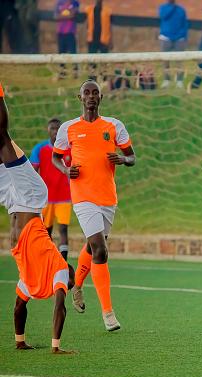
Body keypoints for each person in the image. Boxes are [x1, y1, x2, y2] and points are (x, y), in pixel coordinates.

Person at [52, 80, 136, 332]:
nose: (91, 96)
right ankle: (108, 313)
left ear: (101, 97)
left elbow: (131, 156)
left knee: (92, 246)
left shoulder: (114, 126)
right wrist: (66, 170)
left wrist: (122, 159)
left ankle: (77, 284)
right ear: (80, 98)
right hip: (83, 196)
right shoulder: (68, 128)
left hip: (107, 197)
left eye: (95, 93)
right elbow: (56, 157)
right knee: (100, 250)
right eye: (86, 93)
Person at [0, 83, 75, 354]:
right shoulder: (54, 270)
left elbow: (21, 306)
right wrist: (54, 346)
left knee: (2, 141)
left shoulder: (34, 276)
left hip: (18, 203)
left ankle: (20, 342)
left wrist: (22, 341)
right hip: (28, 200)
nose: (66, 285)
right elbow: (57, 306)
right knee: (3, 140)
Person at [29, 118, 71, 261]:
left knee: (63, 229)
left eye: (58, 129)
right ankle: (49, 260)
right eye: (52, 128)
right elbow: (33, 172)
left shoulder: (69, 149)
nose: (55, 131)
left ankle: (63, 262)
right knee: (47, 231)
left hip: (64, 196)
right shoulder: (39, 149)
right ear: (48, 130)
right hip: (46, 198)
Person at [158, 0, 188, 89]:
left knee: (179, 61)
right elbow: (163, 16)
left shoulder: (181, 9)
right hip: (166, 37)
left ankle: (179, 81)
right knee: (165, 60)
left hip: (179, 38)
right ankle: (166, 80)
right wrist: (172, 7)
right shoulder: (163, 8)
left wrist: (184, 36)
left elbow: (185, 24)